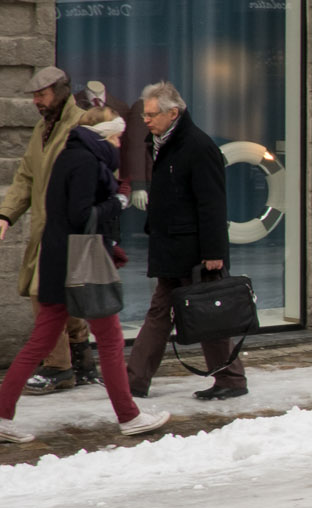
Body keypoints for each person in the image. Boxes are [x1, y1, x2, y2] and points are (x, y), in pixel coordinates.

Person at [0, 108, 171, 443]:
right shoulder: (86, 162)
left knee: (39, 342)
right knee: (111, 340)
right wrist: (118, 200)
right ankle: (129, 416)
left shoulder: (70, 155)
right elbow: (81, 214)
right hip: (81, 263)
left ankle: (0, 415)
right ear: (102, 135)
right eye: (115, 136)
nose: (118, 143)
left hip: (59, 262)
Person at [124, 82, 248, 401]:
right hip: (171, 248)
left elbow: (212, 203)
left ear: (173, 113)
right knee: (162, 314)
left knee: (208, 315)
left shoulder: (197, 145)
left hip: (193, 251)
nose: (146, 120)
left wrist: (214, 252)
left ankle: (231, 380)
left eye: (152, 115)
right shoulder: (162, 143)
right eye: (145, 115)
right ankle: (134, 381)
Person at [0, 66, 95, 394]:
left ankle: (58, 367)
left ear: (61, 91)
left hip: (72, 230)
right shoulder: (42, 129)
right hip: (46, 230)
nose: (37, 101)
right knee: (67, 296)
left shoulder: (82, 125)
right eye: (34, 95)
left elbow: (100, 177)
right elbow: (26, 176)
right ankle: (82, 360)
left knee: (45, 296)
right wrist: (6, 215)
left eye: (42, 94)